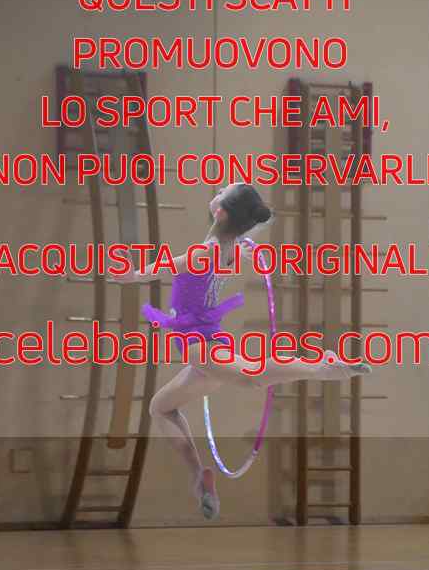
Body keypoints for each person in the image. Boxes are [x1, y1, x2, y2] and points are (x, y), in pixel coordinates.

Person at [117, 183, 371, 520]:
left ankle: (321, 368)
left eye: (222, 191)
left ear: (221, 212)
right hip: (207, 344)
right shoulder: (230, 247)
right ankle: (200, 479)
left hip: (200, 345)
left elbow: (163, 268)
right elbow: (245, 233)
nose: (218, 189)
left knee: (251, 376)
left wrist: (131, 275)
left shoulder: (207, 251)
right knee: (160, 408)